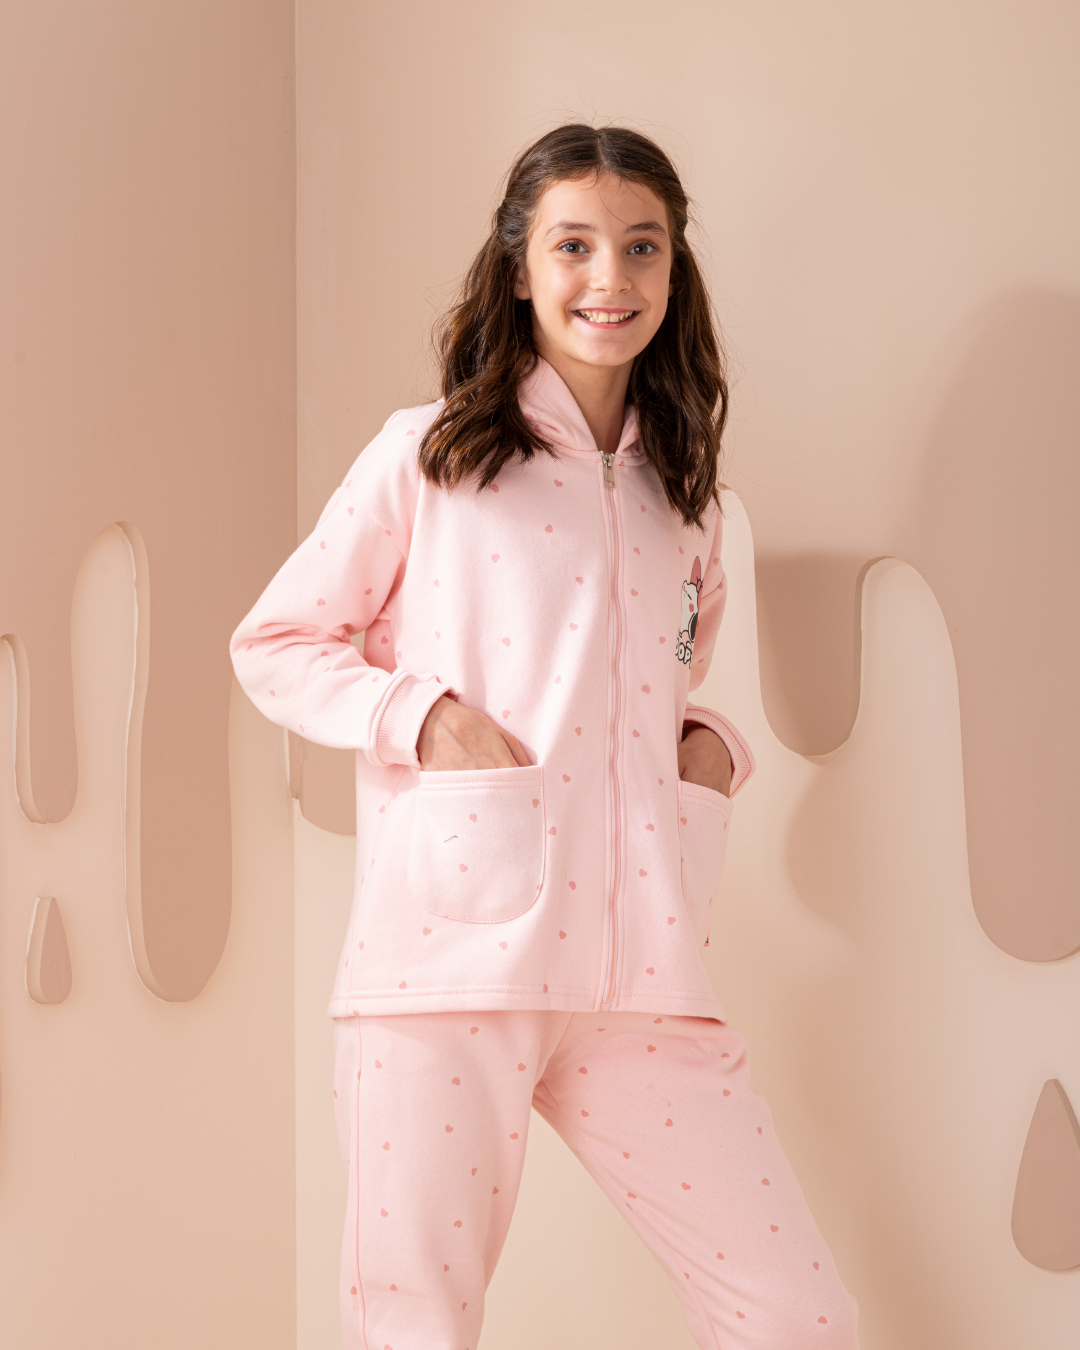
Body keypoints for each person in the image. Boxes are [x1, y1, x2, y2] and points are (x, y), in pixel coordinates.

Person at [231, 122, 859, 1350]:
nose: (609, 278)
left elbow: (654, 677)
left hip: (643, 971)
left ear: (675, 272)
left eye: (642, 247)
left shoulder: (685, 497)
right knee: (416, 1328)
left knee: (796, 1315)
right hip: (449, 960)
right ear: (520, 266)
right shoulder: (429, 456)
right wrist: (424, 716)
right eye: (574, 246)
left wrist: (707, 751)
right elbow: (277, 642)